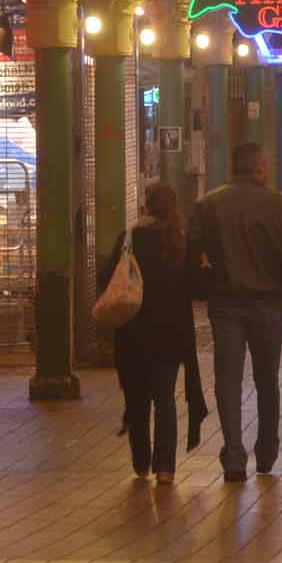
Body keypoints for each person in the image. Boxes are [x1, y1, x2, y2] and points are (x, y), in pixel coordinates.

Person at [194, 140, 282, 482]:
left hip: (225, 303)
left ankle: (234, 455)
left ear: (233, 168)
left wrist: (209, 283)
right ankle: (267, 450)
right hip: (268, 302)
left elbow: (193, 250)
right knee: (267, 379)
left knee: (228, 380)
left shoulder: (208, 205)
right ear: (260, 168)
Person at [102, 182, 199, 484]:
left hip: (133, 332)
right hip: (171, 334)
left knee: (137, 399)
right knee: (165, 400)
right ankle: (166, 468)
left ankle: (141, 462)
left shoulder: (129, 238)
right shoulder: (182, 241)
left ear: (145, 206)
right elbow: (195, 285)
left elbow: (108, 278)